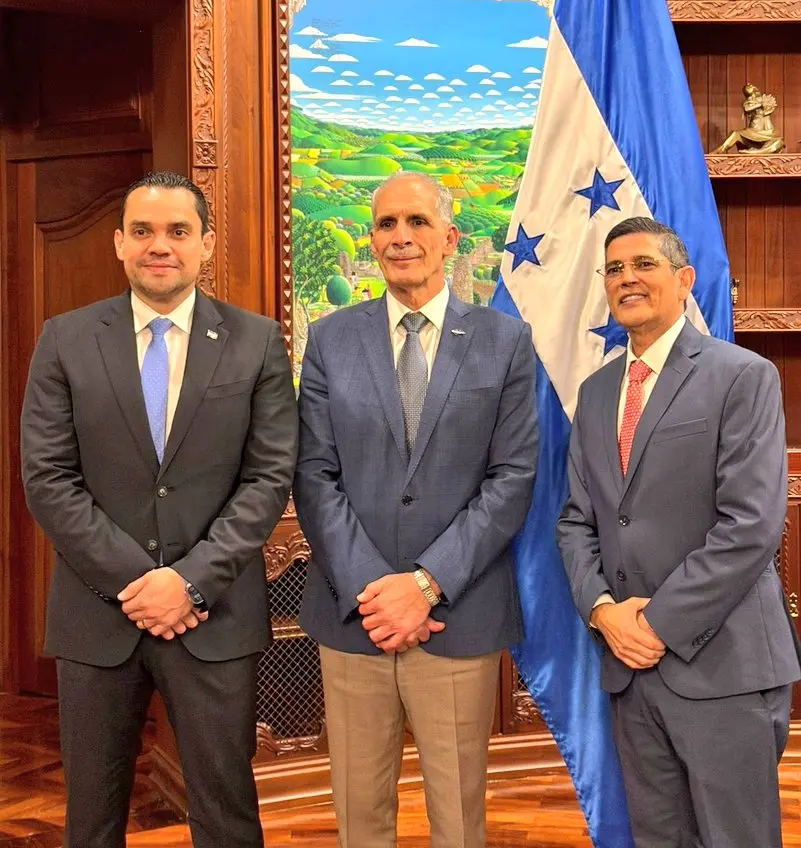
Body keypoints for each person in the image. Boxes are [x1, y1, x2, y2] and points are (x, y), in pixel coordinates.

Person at [21, 171, 298, 848]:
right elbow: (48, 477)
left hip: (215, 615)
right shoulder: (65, 338)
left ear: (204, 244)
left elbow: (267, 477)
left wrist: (188, 581)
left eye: (177, 231)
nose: (160, 245)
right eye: (142, 231)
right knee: (91, 818)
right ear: (119, 243)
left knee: (227, 815)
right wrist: (140, 583)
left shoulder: (255, 342)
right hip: (97, 615)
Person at [294, 172, 538, 848]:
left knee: (458, 819)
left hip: (454, 615)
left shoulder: (503, 341)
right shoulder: (330, 339)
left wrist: (425, 585)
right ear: (372, 241)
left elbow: (512, 476)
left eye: (417, 222)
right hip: (354, 615)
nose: (401, 236)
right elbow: (313, 473)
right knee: (358, 814)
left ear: (449, 237)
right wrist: (376, 589)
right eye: (386, 225)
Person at [556, 216, 801, 848]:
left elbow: (750, 524)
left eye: (643, 264)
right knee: (658, 836)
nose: (626, 279)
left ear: (684, 279)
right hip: (629, 670)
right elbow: (577, 520)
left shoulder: (742, 375)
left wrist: (654, 624)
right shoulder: (596, 390)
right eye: (614, 269)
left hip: (722, 666)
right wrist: (605, 612)